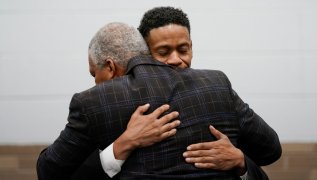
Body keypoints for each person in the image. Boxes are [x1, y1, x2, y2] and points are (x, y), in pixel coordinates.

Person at [37, 22, 280, 179]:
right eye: (163, 53)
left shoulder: (96, 102)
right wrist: (123, 144)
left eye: (183, 50)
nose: (175, 61)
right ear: (148, 53)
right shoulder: (217, 84)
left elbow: (51, 171)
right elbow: (270, 150)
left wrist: (239, 161)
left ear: (109, 67)